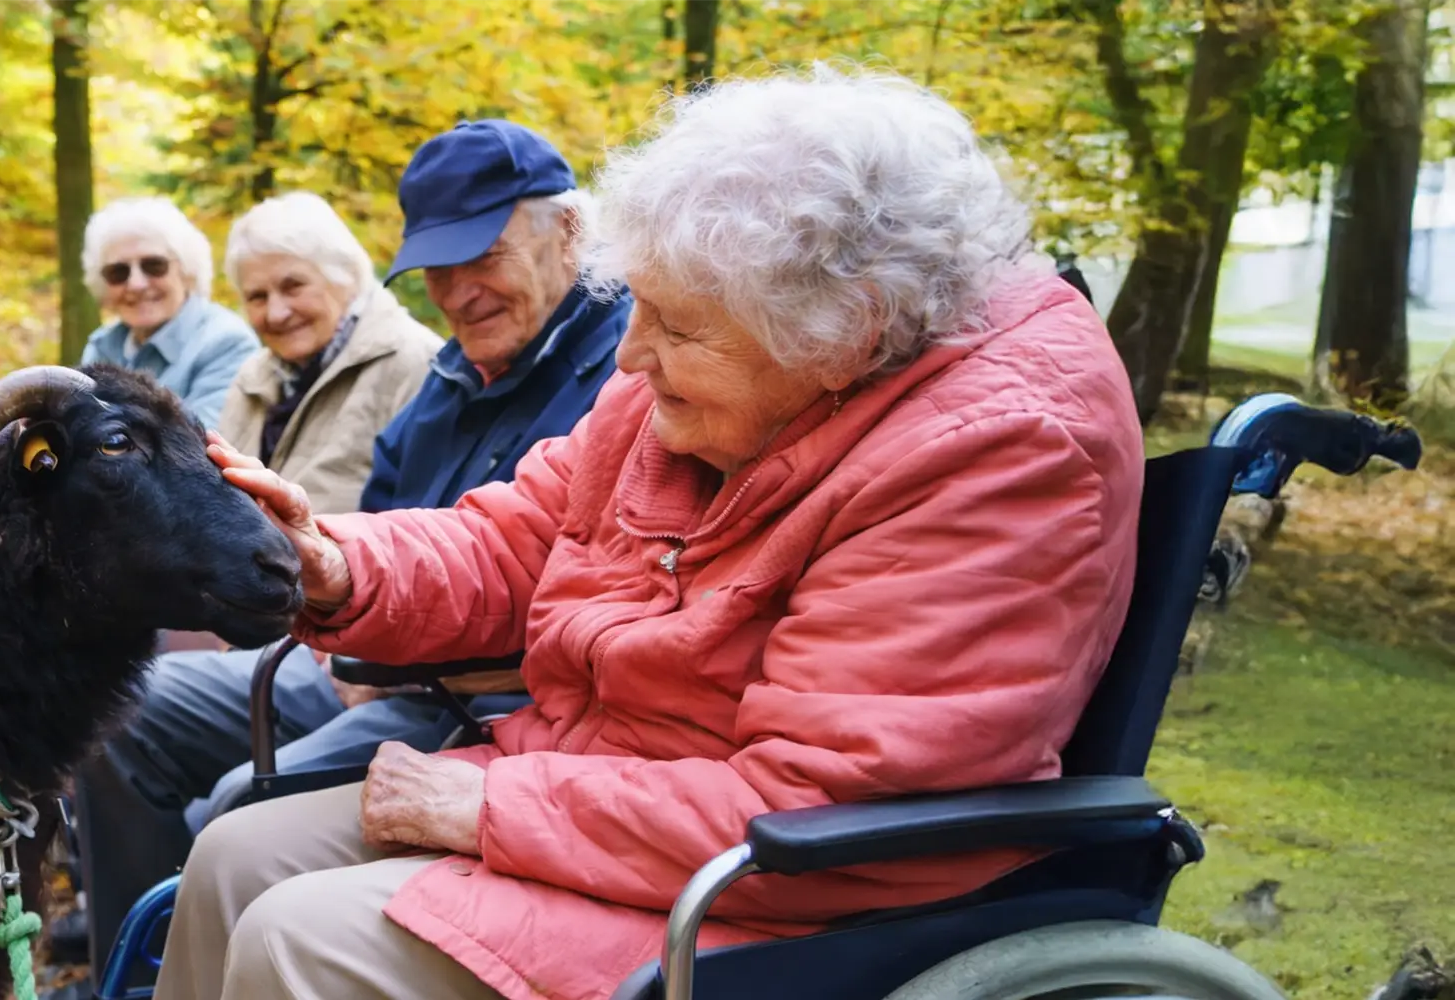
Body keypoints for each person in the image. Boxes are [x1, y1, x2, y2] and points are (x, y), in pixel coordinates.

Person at [158, 67, 1147, 1000]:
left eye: (675, 328)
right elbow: (518, 539)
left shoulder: (997, 449)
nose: (630, 357)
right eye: (635, 309)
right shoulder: (723, 381)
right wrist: (333, 561)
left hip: (786, 890)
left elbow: (825, 805)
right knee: (235, 854)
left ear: (847, 331)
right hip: (612, 791)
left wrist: (493, 809)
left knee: (299, 934)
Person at [58, 120, 632, 972]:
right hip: (348, 655)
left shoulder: (629, 373)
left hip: (476, 702)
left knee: (235, 810)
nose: (457, 290)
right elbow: (401, 529)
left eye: (484, 257)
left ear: (570, 234)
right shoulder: (443, 383)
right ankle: (128, 970)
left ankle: (201, 966)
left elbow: (584, 593)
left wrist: (365, 630)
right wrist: (344, 593)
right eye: (437, 267)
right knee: (121, 712)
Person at [217, 191, 441, 516]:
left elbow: (427, 523)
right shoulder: (252, 379)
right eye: (257, 297)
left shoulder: (416, 364)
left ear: (346, 277)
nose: (276, 313)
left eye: (293, 286)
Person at [77, 197, 261, 427]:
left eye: (154, 266)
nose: (136, 284)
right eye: (118, 272)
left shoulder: (227, 343)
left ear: (186, 270)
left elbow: (203, 445)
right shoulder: (103, 346)